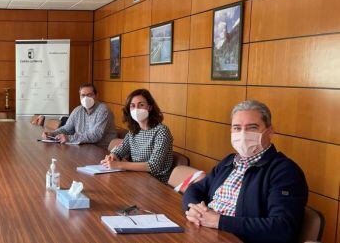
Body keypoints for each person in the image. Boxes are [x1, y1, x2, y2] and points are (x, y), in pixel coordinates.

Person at [182, 100, 308, 243]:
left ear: (270, 131)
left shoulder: (285, 172)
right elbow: (195, 188)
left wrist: (219, 221)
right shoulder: (229, 161)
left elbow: (281, 229)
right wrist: (192, 209)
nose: (243, 134)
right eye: (237, 128)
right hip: (202, 232)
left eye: (252, 127)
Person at [100, 89, 173, 182]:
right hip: (136, 178)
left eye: (141, 105)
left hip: (157, 182)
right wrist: (112, 156)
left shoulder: (162, 131)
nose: (136, 109)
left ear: (149, 107)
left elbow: (154, 166)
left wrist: (118, 165)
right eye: (132, 106)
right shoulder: (133, 131)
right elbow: (119, 151)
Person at [41, 83, 116, 148]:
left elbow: (96, 135)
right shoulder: (77, 110)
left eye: (89, 95)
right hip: (83, 148)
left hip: (102, 151)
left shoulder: (103, 110)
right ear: (80, 97)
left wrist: (69, 138)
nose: (86, 98)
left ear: (96, 96)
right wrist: (53, 134)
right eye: (83, 95)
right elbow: (67, 128)